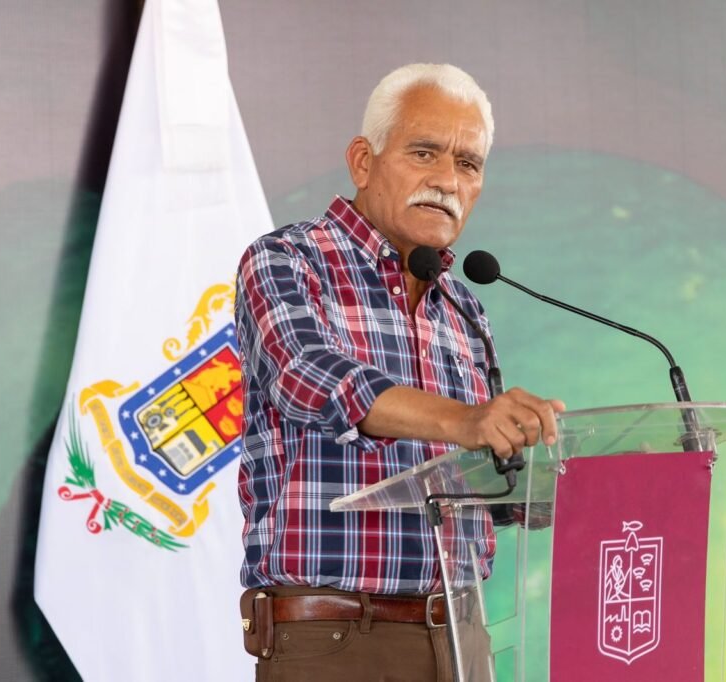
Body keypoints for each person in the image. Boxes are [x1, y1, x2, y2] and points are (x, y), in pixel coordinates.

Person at [235, 63, 565, 681]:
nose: (447, 180)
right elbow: (311, 377)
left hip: (462, 635)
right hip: (338, 636)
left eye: (468, 164)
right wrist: (468, 421)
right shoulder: (288, 260)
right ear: (363, 162)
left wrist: (562, 486)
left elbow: (475, 482)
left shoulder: (464, 307)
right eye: (424, 153)